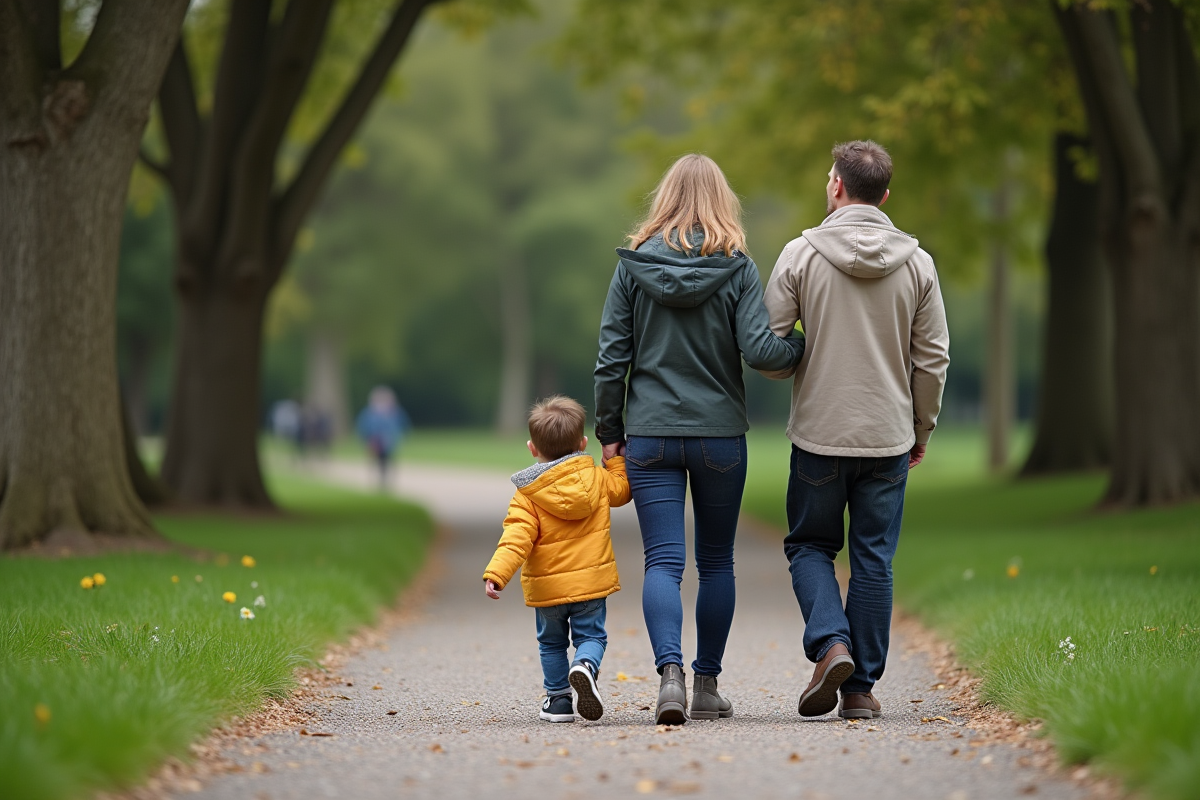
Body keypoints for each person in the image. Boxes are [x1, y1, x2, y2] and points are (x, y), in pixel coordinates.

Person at [594, 154, 806, 724]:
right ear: (722, 201)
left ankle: (669, 677)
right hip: (718, 437)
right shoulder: (737, 267)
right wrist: (804, 347)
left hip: (650, 436)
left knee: (663, 561)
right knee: (715, 563)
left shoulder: (632, 267)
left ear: (663, 199)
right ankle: (706, 684)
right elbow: (762, 351)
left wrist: (610, 431)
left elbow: (612, 359)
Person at [760, 140, 950, 720]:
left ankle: (831, 644)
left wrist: (805, 350)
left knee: (810, 545)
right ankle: (860, 689)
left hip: (819, 432)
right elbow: (933, 358)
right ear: (885, 195)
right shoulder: (918, 263)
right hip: (889, 435)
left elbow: (768, 348)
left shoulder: (801, 254)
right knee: (873, 558)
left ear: (837, 186)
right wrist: (922, 427)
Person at [482, 395, 632, 724]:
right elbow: (623, 490)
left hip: (548, 589)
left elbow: (516, 537)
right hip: (591, 585)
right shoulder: (595, 477)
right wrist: (616, 460)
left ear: (532, 448)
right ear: (581, 443)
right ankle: (585, 666)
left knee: (551, 644)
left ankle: (559, 701)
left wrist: (497, 573)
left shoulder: (528, 494)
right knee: (591, 637)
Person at [355, 387, 411, 488]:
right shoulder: (370, 413)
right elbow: (363, 426)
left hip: (389, 440)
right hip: (374, 440)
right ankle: (378, 479)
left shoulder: (394, 412)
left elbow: (403, 424)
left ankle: (384, 479)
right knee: (376, 459)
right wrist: (366, 438)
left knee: (386, 460)